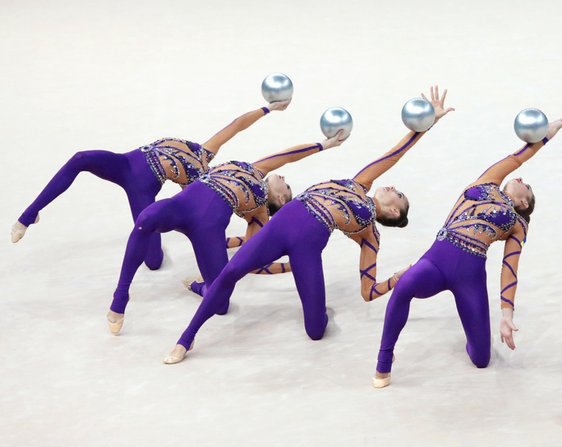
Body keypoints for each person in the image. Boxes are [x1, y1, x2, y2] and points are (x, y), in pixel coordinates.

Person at [162, 85, 455, 365]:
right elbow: (393, 154)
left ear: (392, 211)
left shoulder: (370, 235)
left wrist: (397, 279)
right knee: (229, 273)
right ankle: (185, 340)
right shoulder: (359, 183)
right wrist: (427, 124)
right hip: (282, 224)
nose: (392, 187)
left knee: (315, 330)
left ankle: (320, 312)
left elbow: (368, 291)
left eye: (398, 195)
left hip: (307, 247)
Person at [372, 117, 562, 388]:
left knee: (481, 359)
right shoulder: (488, 180)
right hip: (436, 262)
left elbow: (510, 268)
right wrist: (546, 135)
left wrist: (507, 315)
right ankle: (384, 359)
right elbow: (518, 158)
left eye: (527, 187)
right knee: (404, 286)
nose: (521, 179)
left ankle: (474, 339)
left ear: (523, 202)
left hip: (470, 277)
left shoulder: (518, 224)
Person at [105, 131, 346, 335]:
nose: (283, 177)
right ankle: (120, 296)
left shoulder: (259, 216)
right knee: (145, 219)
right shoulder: (256, 170)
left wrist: (288, 267)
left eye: (287, 185)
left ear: (281, 198)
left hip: (207, 231)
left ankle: (202, 288)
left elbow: (251, 263)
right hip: (180, 207)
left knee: (221, 304)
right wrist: (324, 144)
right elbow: (288, 156)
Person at [10, 99, 289, 271]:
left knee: (153, 261)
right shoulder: (206, 149)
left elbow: (194, 211)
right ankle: (28, 215)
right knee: (81, 158)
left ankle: (155, 253)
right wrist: (268, 108)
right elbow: (237, 125)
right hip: (124, 163)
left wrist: (232, 240)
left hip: (141, 190)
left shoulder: (201, 180)